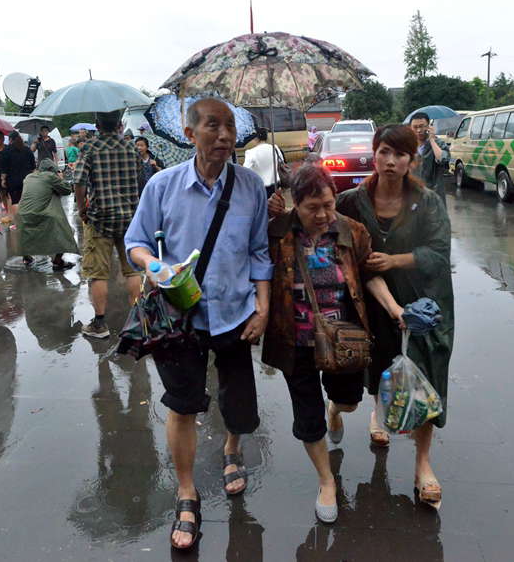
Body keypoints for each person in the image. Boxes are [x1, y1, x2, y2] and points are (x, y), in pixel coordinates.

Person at [125, 98, 272, 550]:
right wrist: (153, 265)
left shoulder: (250, 186)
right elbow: (136, 241)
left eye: (230, 126)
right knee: (183, 404)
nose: (224, 136)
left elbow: (260, 253)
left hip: (235, 312)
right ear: (190, 134)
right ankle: (187, 490)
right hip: (178, 317)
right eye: (213, 126)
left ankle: (231, 448)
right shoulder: (162, 185)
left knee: (237, 397)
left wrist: (263, 308)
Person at [263, 164, 404, 524]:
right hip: (295, 341)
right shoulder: (276, 232)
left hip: (344, 340)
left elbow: (370, 275)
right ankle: (326, 481)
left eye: (328, 204)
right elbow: (253, 267)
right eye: (312, 208)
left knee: (348, 402)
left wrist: (393, 307)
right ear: (295, 202)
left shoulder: (350, 231)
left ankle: (335, 410)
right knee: (308, 419)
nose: (323, 214)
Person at [336, 124, 454, 509]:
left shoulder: (428, 201)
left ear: (411, 160)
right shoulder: (351, 201)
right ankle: (372, 409)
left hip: (422, 302)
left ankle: (422, 465)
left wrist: (396, 260)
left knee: (424, 378)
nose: (390, 161)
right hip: (367, 302)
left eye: (400, 155)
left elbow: (439, 254)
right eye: (385, 151)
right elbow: (325, 236)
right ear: (375, 152)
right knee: (377, 365)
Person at [73, 110, 141, 339]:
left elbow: (79, 182)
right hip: (131, 219)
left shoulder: (90, 148)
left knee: (98, 273)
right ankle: (138, 322)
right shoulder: (131, 148)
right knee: (132, 270)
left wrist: (82, 208)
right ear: (120, 124)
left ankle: (100, 325)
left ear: (97, 125)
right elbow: (140, 179)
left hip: (100, 218)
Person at [17, 159, 79, 270]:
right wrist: (60, 178)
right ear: (52, 170)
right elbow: (67, 190)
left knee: (28, 236)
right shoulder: (50, 177)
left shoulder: (29, 177)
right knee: (67, 231)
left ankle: (27, 257)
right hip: (40, 215)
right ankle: (57, 260)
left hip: (22, 215)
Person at [409, 112, 450, 200]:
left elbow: (442, 159)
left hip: (433, 194)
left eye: (422, 126)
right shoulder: (408, 145)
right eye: (415, 127)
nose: (419, 130)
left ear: (428, 127)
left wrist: (432, 140)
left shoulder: (438, 143)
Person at [0, 131, 36, 215]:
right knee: (26, 201)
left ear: (11, 140)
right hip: (27, 180)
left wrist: (3, 180)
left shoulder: (6, 150)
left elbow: (4, 168)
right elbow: (33, 168)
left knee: (15, 201)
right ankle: (28, 218)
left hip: (13, 182)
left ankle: (17, 222)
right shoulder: (27, 150)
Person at [243, 127, 285, 197]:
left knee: (262, 206)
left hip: (260, 186)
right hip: (276, 185)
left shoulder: (251, 152)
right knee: (275, 206)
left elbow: (245, 170)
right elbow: (281, 161)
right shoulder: (275, 148)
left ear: (256, 138)